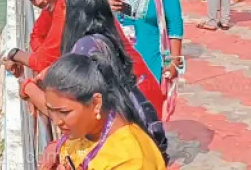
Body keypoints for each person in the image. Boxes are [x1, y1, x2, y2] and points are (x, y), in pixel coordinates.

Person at [18, 0, 169, 162]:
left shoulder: (85, 48)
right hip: (146, 119)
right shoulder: (105, 39)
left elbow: (65, 108)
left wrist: (27, 88)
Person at [38, 54, 167, 170]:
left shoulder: (130, 160)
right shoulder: (85, 128)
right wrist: (55, 147)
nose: (56, 121)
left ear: (96, 103)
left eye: (64, 112)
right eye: (51, 111)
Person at [103, 0, 184, 90]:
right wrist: (105, 6)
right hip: (117, 56)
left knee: (147, 103)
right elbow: (92, 9)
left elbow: (175, 28)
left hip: (150, 58)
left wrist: (175, 62)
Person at [3, 0, 71, 74]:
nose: (38, 2)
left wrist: (14, 54)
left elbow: (43, 62)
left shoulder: (67, 4)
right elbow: (36, 35)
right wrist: (41, 54)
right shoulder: (53, 3)